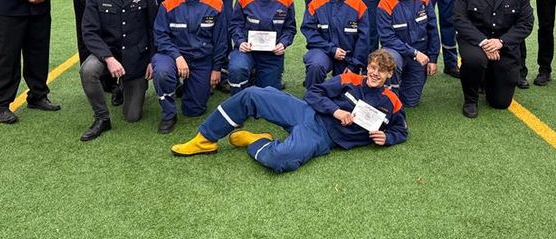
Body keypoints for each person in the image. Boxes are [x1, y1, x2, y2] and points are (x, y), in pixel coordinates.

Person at [171, 49, 408, 174]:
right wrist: (335, 111)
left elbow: (401, 129)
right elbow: (314, 93)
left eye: (382, 71)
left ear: (389, 75)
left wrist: (388, 137)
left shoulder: (392, 102)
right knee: (252, 94)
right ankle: (204, 140)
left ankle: (256, 141)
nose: (376, 73)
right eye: (373, 68)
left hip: (322, 137)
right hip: (306, 112)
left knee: (279, 159)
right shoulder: (350, 78)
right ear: (368, 67)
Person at [78, 0, 158, 141]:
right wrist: (108, 58)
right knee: (88, 70)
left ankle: (125, 87)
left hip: (137, 57)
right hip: (108, 54)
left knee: (132, 116)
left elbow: (155, 27)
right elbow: (89, 31)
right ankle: (101, 118)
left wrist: (152, 58)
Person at [454, 0, 534, 118]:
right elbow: (460, 20)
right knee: (475, 60)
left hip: (504, 45)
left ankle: (487, 77)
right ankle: (470, 99)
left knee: (500, 103)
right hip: (475, 42)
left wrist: (501, 42)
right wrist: (484, 43)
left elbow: (526, 23)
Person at [151, 0, 228, 134]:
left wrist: (217, 69)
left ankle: (187, 86)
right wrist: (177, 57)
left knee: (194, 110)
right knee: (162, 73)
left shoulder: (215, 4)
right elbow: (160, 36)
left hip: (201, 59)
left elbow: (221, 41)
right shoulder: (168, 4)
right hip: (173, 57)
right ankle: (169, 114)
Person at [227, 0, 296, 93]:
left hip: (271, 53)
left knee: (269, 95)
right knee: (237, 68)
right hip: (247, 51)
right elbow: (235, 25)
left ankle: (256, 77)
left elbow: (290, 28)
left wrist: (282, 43)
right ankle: (239, 100)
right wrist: (240, 42)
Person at [377, 0, 440, 107]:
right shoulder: (384, 4)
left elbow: (432, 30)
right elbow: (387, 38)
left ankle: (402, 81)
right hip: (397, 52)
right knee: (391, 58)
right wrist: (414, 52)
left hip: (419, 55)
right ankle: (388, 91)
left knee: (411, 102)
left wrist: (433, 59)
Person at [301, 0, 370, 88]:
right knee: (316, 65)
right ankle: (312, 98)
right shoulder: (315, 4)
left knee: (344, 97)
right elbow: (309, 32)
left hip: (348, 57)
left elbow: (363, 39)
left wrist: (354, 65)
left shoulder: (358, 5)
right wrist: (332, 49)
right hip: (323, 52)